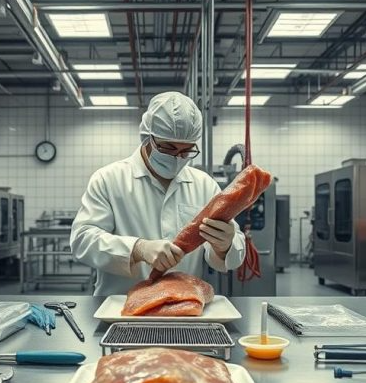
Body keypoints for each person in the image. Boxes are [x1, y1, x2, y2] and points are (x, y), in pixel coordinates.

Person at [71, 92, 246, 296]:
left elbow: (234, 249)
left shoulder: (204, 185)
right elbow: (82, 240)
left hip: (183, 304)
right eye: (168, 148)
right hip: (119, 304)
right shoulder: (108, 179)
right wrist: (138, 248)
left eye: (186, 151)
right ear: (147, 137)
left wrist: (225, 246)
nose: (177, 158)